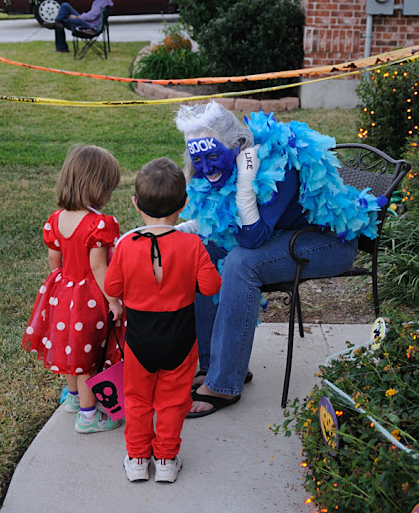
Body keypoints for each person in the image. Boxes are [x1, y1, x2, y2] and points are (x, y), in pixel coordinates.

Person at [174, 101, 387, 417]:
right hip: (285, 233)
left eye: (213, 156)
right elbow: (220, 225)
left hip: (329, 243)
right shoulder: (228, 162)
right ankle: (216, 365)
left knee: (240, 264)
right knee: (203, 252)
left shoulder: (279, 160)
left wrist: (245, 184)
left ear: (237, 145)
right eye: (198, 160)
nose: (206, 168)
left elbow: (252, 238)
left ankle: (224, 384)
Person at [104, 157, 222, 483]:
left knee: (138, 399)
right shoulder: (192, 244)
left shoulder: (126, 246)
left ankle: (138, 459)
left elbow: (112, 287)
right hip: (180, 338)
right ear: (184, 205)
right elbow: (211, 286)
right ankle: (167, 460)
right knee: (173, 400)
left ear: (135, 203)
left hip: (139, 338)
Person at [22, 144, 125, 433]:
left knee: (71, 351)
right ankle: (88, 417)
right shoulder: (99, 224)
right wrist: (113, 301)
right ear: (98, 187)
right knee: (88, 360)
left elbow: (54, 260)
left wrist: (63, 284)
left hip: (63, 294)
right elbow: (98, 267)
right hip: (89, 298)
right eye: (109, 187)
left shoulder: (55, 219)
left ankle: (74, 399)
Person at [43, 0, 113, 53]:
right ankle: (58, 23)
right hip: (87, 22)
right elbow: (92, 14)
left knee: (60, 22)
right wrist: (80, 16)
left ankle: (61, 46)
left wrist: (78, 17)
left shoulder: (103, 0)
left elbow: (92, 16)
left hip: (89, 25)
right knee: (65, 6)